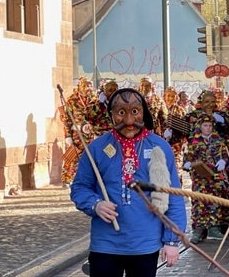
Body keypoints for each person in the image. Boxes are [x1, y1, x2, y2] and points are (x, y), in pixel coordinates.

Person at [70, 88, 186, 277]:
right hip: (105, 245)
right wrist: (95, 204)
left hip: (145, 245)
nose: (129, 121)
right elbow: (79, 188)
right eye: (121, 113)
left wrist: (172, 240)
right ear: (111, 115)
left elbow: (173, 196)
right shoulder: (97, 148)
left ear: (143, 112)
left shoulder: (160, 147)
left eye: (135, 112)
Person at [183, 112, 229, 243]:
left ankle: (214, 228)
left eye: (210, 125)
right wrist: (188, 163)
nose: (208, 128)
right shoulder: (194, 141)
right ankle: (198, 230)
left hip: (214, 178)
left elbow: (226, 155)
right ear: (200, 126)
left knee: (214, 201)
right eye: (205, 125)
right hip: (200, 178)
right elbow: (187, 157)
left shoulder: (219, 140)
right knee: (198, 203)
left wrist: (223, 161)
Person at [60, 76, 101, 186]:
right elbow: (66, 119)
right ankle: (67, 178)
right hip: (77, 134)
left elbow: (98, 117)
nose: (88, 87)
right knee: (73, 156)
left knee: (92, 157)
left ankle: (91, 179)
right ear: (79, 86)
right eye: (85, 85)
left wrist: (97, 132)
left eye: (89, 85)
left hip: (90, 134)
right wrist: (67, 135)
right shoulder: (72, 100)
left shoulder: (94, 100)